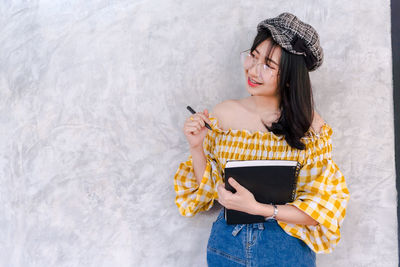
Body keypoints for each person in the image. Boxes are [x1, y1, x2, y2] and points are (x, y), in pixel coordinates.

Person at [173, 12, 350, 267]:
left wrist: (261, 209)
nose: (253, 70)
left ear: (289, 78)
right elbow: (207, 194)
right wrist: (196, 147)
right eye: (254, 56)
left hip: (286, 250)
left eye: (268, 65)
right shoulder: (223, 114)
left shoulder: (309, 126)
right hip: (226, 247)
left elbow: (321, 210)